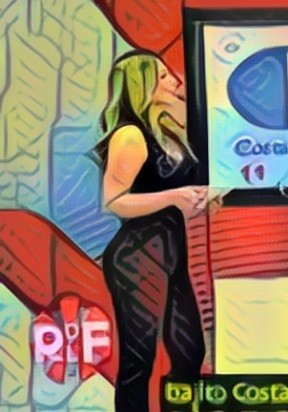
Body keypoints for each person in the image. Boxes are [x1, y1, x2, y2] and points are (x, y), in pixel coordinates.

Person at [94, 50, 221, 411]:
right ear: (143, 85)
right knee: (139, 357)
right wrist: (174, 197)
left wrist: (202, 198)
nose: (174, 81)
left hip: (170, 251)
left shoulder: (165, 131)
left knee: (189, 349)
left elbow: (180, 189)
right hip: (138, 255)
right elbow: (114, 201)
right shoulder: (130, 136)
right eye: (163, 77)